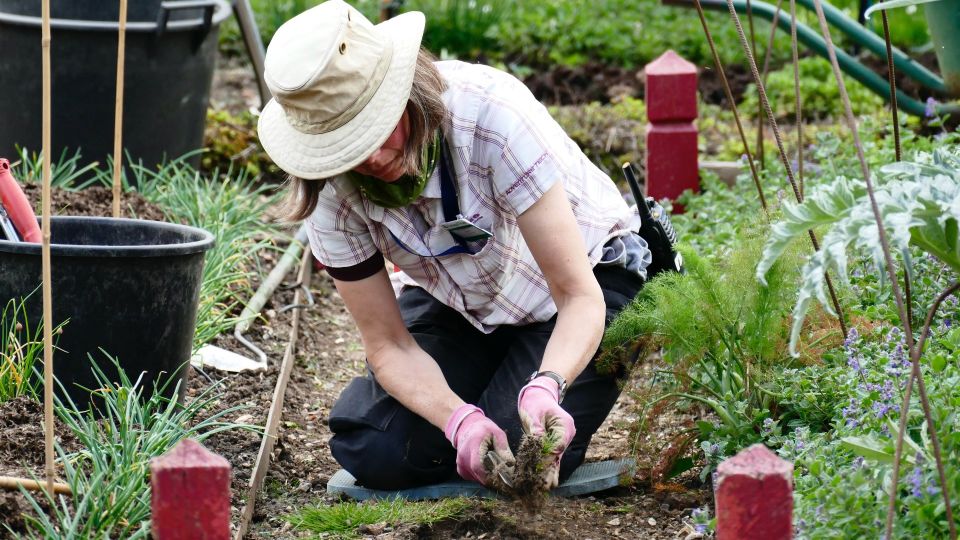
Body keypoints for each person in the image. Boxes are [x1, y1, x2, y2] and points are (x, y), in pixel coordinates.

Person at [257, 0, 651, 491]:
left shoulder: (490, 119)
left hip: (582, 282)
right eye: (350, 147)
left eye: (377, 129)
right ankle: (489, 394)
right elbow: (388, 344)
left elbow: (578, 295)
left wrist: (547, 384)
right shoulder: (328, 191)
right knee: (377, 446)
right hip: (464, 298)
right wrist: (457, 420)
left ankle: (521, 387)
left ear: (403, 92)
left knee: (526, 446)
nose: (374, 156)